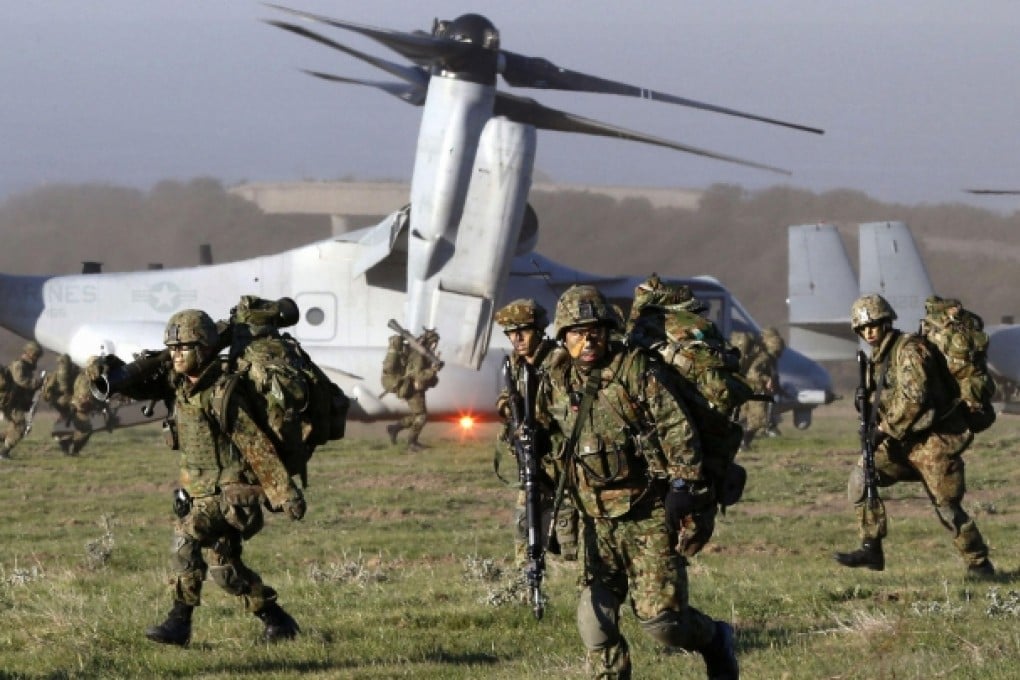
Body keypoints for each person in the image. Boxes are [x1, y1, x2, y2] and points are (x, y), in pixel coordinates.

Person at [534, 284, 738, 680]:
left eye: (596, 330)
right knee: (596, 624)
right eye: (577, 332)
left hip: (648, 515)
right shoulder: (555, 380)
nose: (588, 339)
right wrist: (543, 496)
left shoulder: (634, 371)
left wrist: (684, 488)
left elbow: (677, 431)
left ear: (608, 331)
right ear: (563, 337)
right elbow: (542, 440)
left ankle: (716, 639)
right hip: (593, 520)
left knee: (664, 625)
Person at [144, 309, 306, 646]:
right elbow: (135, 386)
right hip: (201, 493)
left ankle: (179, 621)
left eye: (183, 347)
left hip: (234, 495)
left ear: (203, 348)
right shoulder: (181, 388)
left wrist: (284, 493)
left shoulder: (222, 392)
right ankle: (278, 622)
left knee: (186, 536)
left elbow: (254, 444)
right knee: (225, 569)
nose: (175, 354)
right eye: (172, 347)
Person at [835, 294, 994, 577]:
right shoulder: (878, 358)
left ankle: (978, 563)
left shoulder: (909, 350)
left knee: (946, 507)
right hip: (902, 439)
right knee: (861, 479)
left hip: (933, 438)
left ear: (886, 323)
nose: (869, 333)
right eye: (863, 328)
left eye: (874, 325)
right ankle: (871, 546)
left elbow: (913, 399)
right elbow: (891, 395)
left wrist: (882, 430)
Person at [493, 298, 578, 565]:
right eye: (510, 332)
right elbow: (505, 399)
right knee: (524, 530)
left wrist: (539, 421)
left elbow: (569, 413)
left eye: (523, 331)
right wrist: (510, 410)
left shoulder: (559, 363)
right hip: (531, 462)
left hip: (562, 465)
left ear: (539, 330)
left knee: (570, 536)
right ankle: (528, 585)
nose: (516, 338)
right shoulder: (515, 364)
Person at [385, 328, 443, 452]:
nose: (434, 346)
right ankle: (412, 442)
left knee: (417, 415)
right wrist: (433, 370)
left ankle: (394, 428)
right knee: (421, 416)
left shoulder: (421, 354)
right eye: (433, 343)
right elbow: (419, 375)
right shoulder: (419, 356)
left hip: (414, 387)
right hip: (411, 388)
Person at [0, 341, 45, 460]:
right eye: (36, 356)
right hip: (10, 402)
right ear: (31, 354)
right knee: (20, 427)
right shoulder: (19, 365)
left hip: (14, 402)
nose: (37, 359)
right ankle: (3, 453)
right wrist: (37, 382)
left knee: (12, 429)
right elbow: (21, 381)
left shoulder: (25, 366)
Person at [56, 356, 104, 456]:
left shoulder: (83, 376)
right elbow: (84, 395)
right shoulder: (87, 379)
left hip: (77, 405)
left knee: (81, 428)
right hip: (81, 407)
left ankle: (68, 445)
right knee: (86, 429)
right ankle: (70, 447)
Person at [43, 353, 78, 425]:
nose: (62, 366)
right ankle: (65, 416)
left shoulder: (75, 373)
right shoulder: (56, 374)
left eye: (63, 363)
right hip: (67, 399)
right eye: (61, 363)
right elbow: (48, 388)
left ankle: (66, 416)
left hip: (73, 399)